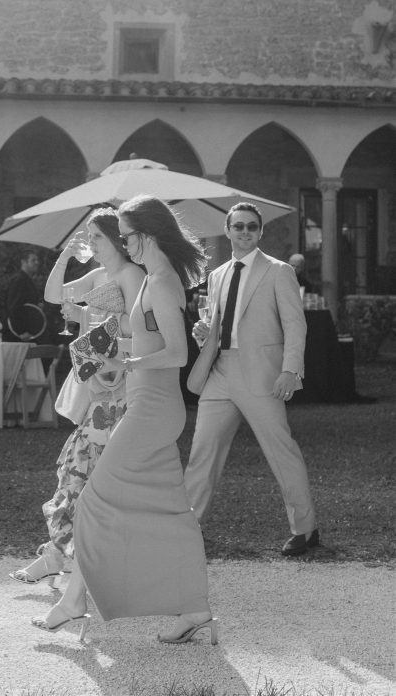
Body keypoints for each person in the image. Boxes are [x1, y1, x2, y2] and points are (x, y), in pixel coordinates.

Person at [32, 195, 216, 645]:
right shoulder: (154, 278)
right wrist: (116, 357)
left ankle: (75, 601)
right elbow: (152, 342)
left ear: (146, 235)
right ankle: (195, 611)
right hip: (146, 404)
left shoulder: (162, 282)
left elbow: (175, 352)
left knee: (95, 501)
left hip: (153, 409)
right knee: (172, 514)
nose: (124, 242)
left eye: (128, 235)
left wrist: (127, 363)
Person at [9, 208, 144, 585]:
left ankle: (76, 555)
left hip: (120, 387)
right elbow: (54, 295)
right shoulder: (99, 275)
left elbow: (138, 327)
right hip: (98, 388)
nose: (92, 244)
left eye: (96, 237)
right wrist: (67, 257)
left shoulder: (133, 275)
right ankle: (62, 552)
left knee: (88, 471)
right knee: (79, 469)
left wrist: (89, 320)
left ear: (116, 238)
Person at [184, 202, 319, 557]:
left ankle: (305, 529)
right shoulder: (217, 276)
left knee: (281, 451)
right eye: (239, 226)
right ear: (227, 230)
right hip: (220, 373)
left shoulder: (279, 272)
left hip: (262, 374)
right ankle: (187, 526)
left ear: (260, 232)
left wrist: (291, 370)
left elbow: (295, 324)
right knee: (202, 452)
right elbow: (218, 328)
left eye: (252, 227)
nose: (245, 232)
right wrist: (203, 332)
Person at [3, 249, 44, 341]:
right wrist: (20, 331)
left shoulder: (27, 280)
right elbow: (13, 307)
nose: (37, 263)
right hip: (20, 335)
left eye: (37, 260)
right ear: (23, 262)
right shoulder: (19, 280)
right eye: (33, 260)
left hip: (28, 333)